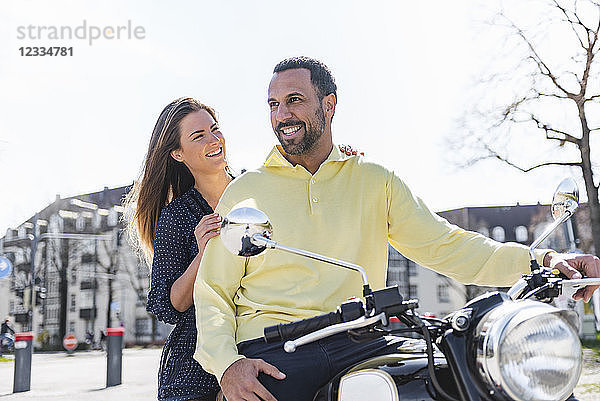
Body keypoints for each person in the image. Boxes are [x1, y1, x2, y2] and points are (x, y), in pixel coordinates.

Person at [192, 57, 600, 401]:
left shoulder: (374, 179)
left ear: (328, 104)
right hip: (279, 351)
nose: (282, 115)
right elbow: (213, 293)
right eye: (273, 104)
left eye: (294, 101)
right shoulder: (246, 191)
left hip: (362, 339)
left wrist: (545, 259)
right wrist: (228, 365)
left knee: (458, 381)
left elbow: (446, 244)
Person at [124, 97, 232, 401]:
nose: (213, 140)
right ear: (177, 153)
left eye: (215, 129)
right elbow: (169, 306)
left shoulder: (254, 194)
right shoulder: (176, 216)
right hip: (194, 371)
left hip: (254, 347)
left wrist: (340, 165)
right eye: (198, 136)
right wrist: (202, 255)